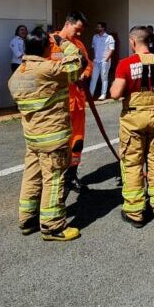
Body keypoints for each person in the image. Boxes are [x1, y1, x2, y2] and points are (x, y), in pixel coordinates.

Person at [8, 31, 82, 241]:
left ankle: (27, 218)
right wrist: (63, 42)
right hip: (53, 138)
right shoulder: (48, 70)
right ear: (46, 49)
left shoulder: (17, 75)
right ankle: (52, 227)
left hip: (33, 138)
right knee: (54, 179)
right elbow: (77, 65)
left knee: (32, 176)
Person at [109, 25, 154, 227]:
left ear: (132, 42)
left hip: (134, 120)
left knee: (132, 164)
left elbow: (115, 94)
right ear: (149, 41)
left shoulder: (125, 64)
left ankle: (135, 212)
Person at [55, 12, 92, 193]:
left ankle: (71, 175)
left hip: (77, 103)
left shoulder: (79, 45)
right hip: (58, 104)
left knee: (77, 142)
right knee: (58, 143)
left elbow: (88, 65)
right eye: (77, 30)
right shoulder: (50, 43)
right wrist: (71, 77)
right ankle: (56, 178)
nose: (79, 34)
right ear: (67, 23)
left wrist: (83, 75)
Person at [89, 21, 116, 101]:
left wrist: (106, 59)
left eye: (99, 27)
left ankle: (103, 94)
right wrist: (92, 58)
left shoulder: (109, 37)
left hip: (104, 61)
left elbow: (112, 49)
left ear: (103, 28)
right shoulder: (95, 37)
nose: (97, 28)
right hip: (96, 61)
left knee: (104, 78)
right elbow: (92, 47)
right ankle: (90, 94)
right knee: (94, 78)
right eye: (97, 27)